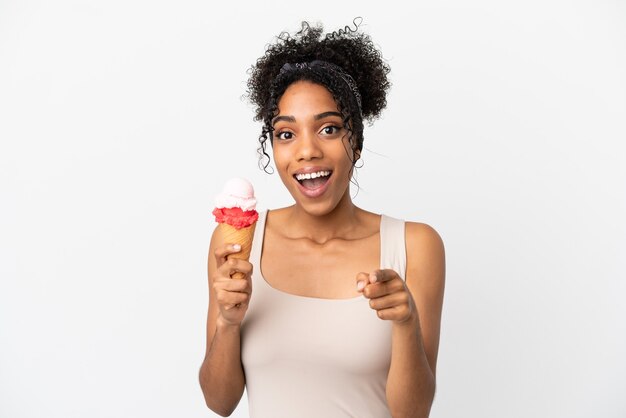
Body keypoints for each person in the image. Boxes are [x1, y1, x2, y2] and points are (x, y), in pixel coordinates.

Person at [199, 18, 445, 418]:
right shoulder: (240, 240)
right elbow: (219, 401)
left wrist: (405, 322)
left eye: (329, 128)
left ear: (357, 142)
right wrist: (227, 323)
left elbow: (412, 413)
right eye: (286, 133)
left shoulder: (415, 245)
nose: (307, 151)